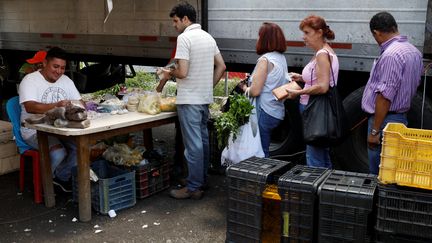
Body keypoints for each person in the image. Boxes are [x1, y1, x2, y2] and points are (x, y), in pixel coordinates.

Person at [160, 1, 226, 200]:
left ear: (185, 19)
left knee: (193, 145)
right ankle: (200, 180)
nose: (174, 25)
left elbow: (183, 71)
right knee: (203, 143)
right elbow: (221, 66)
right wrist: (208, 87)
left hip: (189, 99)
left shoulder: (184, 38)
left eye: (175, 21)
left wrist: (168, 72)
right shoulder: (208, 37)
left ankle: (193, 187)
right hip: (204, 98)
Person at [361, 12, 423, 175]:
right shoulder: (414, 52)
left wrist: (375, 131)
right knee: (393, 170)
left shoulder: (390, 54)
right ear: (394, 27)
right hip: (400, 118)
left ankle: (378, 200)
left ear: (377, 32)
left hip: (385, 121)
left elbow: (385, 96)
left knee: (379, 173)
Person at [19, 47, 84, 192]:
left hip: (60, 128)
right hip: (34, 130)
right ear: (44, 63)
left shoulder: (66, 80)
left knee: (81, 147)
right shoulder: (30, 80)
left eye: (62, 68)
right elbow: (30, 107)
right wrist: (56, 106)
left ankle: (61, 177)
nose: (59, 71)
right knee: (58, 152)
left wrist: (75, 106)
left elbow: (81, 103)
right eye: (55, 66)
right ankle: (45, 185)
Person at [286, 15, 339, 169]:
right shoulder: (327, 52)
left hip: (313, 109)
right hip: (319, 109)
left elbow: (323, 86)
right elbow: (323, 78)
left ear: (319, 32)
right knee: (321, 154)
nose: (304, 37)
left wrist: (298, 93)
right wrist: (302, 77)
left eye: (307, 33)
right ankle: (325, 188)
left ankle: (314, 190)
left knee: (314, 157)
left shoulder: (321, 55)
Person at [239, 22, 288, 158]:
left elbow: (255, 92)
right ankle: (267, 177)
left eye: (259, 36)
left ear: (265, 39)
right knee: (264, 149)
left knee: (260, 153)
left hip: (264, 111)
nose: (257, 39)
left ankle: (265, 178)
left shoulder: (264, 60)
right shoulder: (281, 58)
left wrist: (243, 87)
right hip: (276, 111)